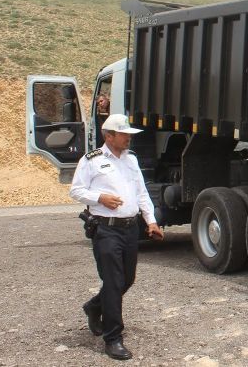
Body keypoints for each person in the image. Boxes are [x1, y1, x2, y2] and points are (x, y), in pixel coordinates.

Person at [69, 114, 164, 361]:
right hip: (106, 229)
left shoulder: (131, 160)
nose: (129, 139)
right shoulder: (91, 161)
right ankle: (113, 338)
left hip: (130, 228)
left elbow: (141, 192)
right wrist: (99, 198)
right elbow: (76, 190)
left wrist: (151, 221)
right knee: (113, 281)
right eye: (124, 135)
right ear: (108, 135)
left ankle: (94, 306)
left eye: (130, 135)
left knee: (127, 279)